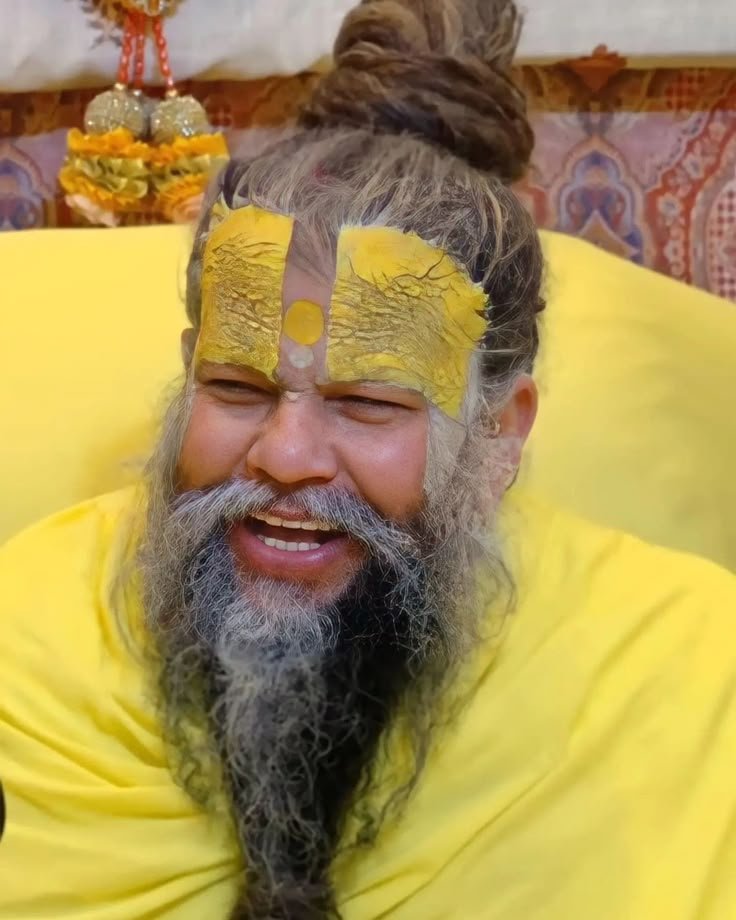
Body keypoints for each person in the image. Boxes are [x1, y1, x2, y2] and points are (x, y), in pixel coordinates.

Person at [1, 1, 735, 918]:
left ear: (500, 433)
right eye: (236, 387)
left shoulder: (685, 664)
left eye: (368, 404)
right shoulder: (30, 627)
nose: (285, 456)